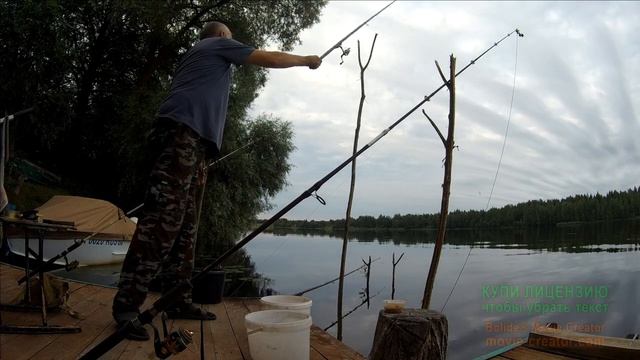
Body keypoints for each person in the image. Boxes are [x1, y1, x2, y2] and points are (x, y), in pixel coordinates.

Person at [112, 21, 321, 341]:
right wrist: (306, 60)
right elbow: (270, 58)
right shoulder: (213, 45)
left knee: (185, 229)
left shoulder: (202, 57)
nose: (234, 40)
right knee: (161, 222)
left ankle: (177, 300)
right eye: (231, 35)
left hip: (195, 145)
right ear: (222, 36)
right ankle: (127, 307)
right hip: (180, 136)